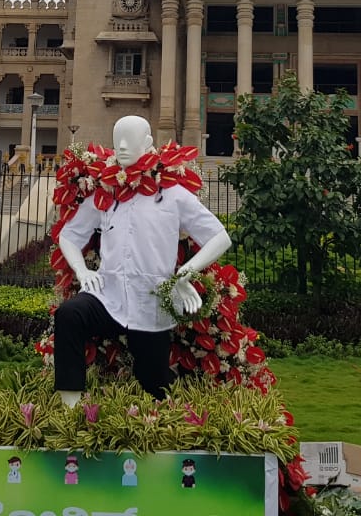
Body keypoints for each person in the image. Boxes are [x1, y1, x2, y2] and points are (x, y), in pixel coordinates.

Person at [53, 115, 230, 405]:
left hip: (151, 304)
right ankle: (69, 411)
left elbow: (219, 237)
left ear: (147, 144)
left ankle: (176, 414)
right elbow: (69, 235)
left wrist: (185, 273)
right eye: (118, 138)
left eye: (130, 139)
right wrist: (82, 271)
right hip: (108, 299)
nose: (122, 146)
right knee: (70, 315)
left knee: (153, 381)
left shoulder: (172, 196)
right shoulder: (105, 193)